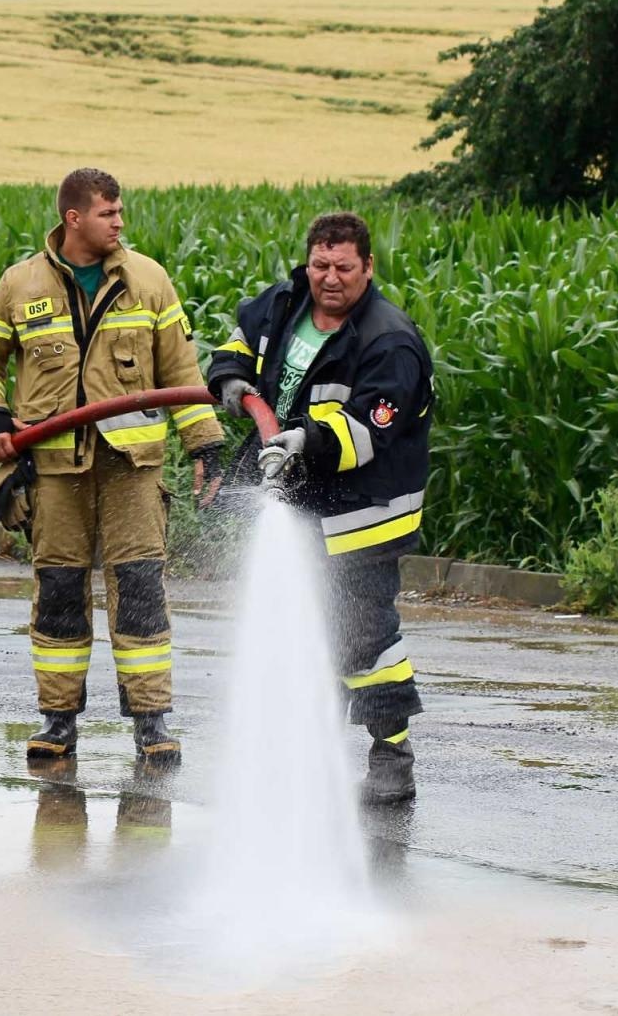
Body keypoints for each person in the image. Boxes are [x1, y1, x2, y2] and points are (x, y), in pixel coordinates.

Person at [0, 168, 225, 764]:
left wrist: (203, 444)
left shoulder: (149, 281)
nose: (120, 222)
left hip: (132, 468)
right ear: (74, 218)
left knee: (139, 591)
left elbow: (182, 372)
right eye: (109, 213)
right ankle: (58, 724)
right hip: (54, 471)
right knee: (58, 592)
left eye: (120, 212)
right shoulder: (20, 284)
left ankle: (152, 724)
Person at [206, 212, 434, 803]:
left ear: (368, 267)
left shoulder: (390, 342)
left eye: (343, 268)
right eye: (320, 265)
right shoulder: (285, 303)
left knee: (364, 640)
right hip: (298, 497)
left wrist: (306, 440)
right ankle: (308, 754)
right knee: (299, 630)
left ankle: (392, 756)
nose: (329, 279)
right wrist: (230, 377)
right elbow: (240, 342)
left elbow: (367, 431)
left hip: (362, 513)